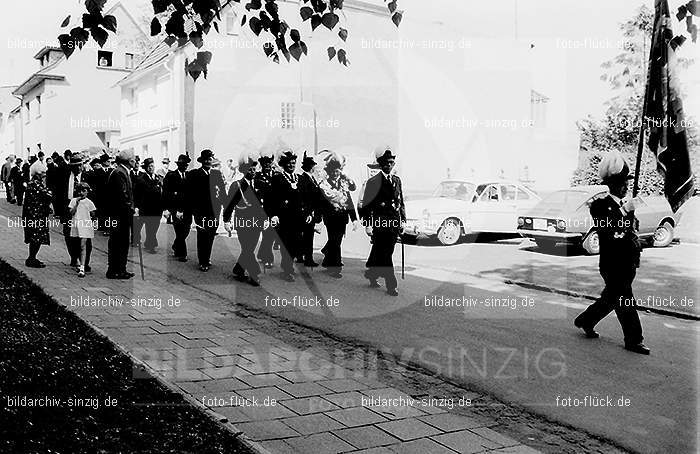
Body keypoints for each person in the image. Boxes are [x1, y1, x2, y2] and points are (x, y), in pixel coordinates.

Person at [574, 151, 649, 355]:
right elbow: (607, 229)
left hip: (628, 262)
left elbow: (629, 232)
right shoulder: (600, 205)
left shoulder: (625, 206)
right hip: (612, 264)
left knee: (611, 299)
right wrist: (624, 211)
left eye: (627, 182)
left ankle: (585, 321)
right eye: (623, 182)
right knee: (625, 301)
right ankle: (634, 340)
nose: (626, 186)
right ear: (613, 184)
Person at [358, 145, 406, 296]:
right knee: (385, 254)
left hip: (393, 224)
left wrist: (403, 221)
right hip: (380, 224)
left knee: (385, 252)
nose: (389, 165)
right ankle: (391, 285)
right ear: (380, 163)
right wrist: (367, 224)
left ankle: (372, 274)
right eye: (385, 162)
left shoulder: (397, 181)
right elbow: (366, 205)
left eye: (391, 162)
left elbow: (400, 202)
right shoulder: (373, 182)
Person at [223, 151, 265, 287]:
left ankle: (239, 268)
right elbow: (229, 205)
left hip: (256, 222)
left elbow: (262, 205)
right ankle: (254, 274)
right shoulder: (237, 185)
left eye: (254, 169)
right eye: (250, 169)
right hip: (243, 222)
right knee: (247, 248)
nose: (253, 171)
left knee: (250, 248)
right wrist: (226, 221)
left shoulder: (258, 184)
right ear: (244, 170)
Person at [318, 151, 359, 278]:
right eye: (334, 171)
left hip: (342, 218)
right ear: (329, 171)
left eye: (338, 171)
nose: (336, 173)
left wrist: (354, 219)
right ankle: (336, 267)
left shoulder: (343, 182)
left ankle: (327, 255)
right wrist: (318, 219)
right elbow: (321, 202)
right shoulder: (325, 184)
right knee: (335, 241)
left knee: (336, 241)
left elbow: (350, 199)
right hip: (330, 218)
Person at [186, 149, 226, 272]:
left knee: (211, 235)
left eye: (210, 159)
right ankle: (203, 261)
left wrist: (225, 206)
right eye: (207, 159)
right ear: (202, 161)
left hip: (214, 211)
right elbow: (190, 194)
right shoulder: (194, 174)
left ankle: (207, 258)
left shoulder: (217, 174)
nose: (209, 161)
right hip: (201, 211)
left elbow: (222, 192)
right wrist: (193, 211)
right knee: (202, 235)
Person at [268, 150, 303, 282]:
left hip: (297, 217)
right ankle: (287, 269)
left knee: (295, 245)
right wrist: (274, 215)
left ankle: (288, 265)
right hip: (284, 218)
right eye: (289, 163)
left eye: (293, 163)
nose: (291, 165)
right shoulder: (277, 179)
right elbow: (272, 198)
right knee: (286, 244)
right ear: (284, 164)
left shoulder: (299, 178)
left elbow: (305, 197)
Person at [105, 150, 136, 279]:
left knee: (119, 242)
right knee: (120, 242)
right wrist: (131, 209)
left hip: (119, 214)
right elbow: (123, 196)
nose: (135, 161)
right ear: (129, 161)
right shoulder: (120, 173)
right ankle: (116, 270)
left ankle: (119, 269)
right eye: (133, 159)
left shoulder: (121, 172)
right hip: (120, 215)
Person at [53, 153, 86, 267]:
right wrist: (59, 213)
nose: (77, 169)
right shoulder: (64, 175)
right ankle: (74, 257)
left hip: (84, 210)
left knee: (84, 235)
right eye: (74, 166)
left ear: (82, 166)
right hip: (68, 210)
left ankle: (84, 262)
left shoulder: (87, 176)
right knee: (69, 235)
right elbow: (57, 194)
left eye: (79, 166)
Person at [22, 161, 53, 268]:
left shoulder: (34, 183)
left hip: (36, 214)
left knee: (36, 238)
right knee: (36, 238)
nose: (45, 175)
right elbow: (47, 195)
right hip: (35, 215)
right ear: (37, 173)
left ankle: (32, 258)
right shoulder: (35, 184)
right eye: (43, 173)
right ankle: (31, 259)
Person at [163, 154, 192, 262]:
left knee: (186, 230)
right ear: (178, 165)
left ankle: (176, 245)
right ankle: (182, 254)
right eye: (182, 164)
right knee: (179, 231)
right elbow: (165, 193)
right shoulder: (171, 176)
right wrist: (166, 209)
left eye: (186, 164)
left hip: (187, 209)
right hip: (175, 209)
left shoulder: (189, 176)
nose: (184, 166)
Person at [297, 151, 323, 267]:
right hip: (307, 212)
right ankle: (308, 259)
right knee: (308, 237)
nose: (314, 167)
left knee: (305, 236)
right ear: (310, 167)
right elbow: (305, 197)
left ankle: (300, 256)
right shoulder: (304, 179)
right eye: (313, 165)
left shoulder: (311, 178)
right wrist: (310, 212)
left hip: (310, 211)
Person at [134, 157, 164, 254]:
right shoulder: (141, 179)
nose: (151, 168)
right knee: (150, 226)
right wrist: (137, 207)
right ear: (146, 168)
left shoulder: (158, 178)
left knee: (155, 226)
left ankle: (148, 242)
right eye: (149, 166)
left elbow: (161, 191)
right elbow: (138, 194)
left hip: (157, 207)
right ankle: (152, 245)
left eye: (152, 166)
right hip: (146, 207)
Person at [255, 151, 278, 269]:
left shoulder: (277, 175)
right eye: (265, 163)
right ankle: (268, 258)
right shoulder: (257, 176)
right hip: (262, 210)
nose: (267, 165)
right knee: (268, 234)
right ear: (261, 164)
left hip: (274, 210)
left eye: (269, 162)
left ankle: (262, 253)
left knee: (270, 235)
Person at [68, 182, 96, 277]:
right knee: (76, 245)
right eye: (80, 191)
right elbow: (71, 212)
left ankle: (83, 267)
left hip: (85, 225)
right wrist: (76, 204)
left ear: (87, 192)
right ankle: (79, 262)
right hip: (76, 224)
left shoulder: (89, 202)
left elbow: (93, 214)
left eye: (84, 191)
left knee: (83, 245)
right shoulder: (73, 201)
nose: (82, 193)